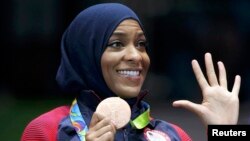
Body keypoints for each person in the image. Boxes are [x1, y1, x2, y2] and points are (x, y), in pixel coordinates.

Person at [21, 3, 241, 141]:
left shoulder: (172, 135)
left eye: (141, 44)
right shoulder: (46, 130)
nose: (136, 56)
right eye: (116, 44)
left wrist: (225, 130)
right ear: (85, 53)